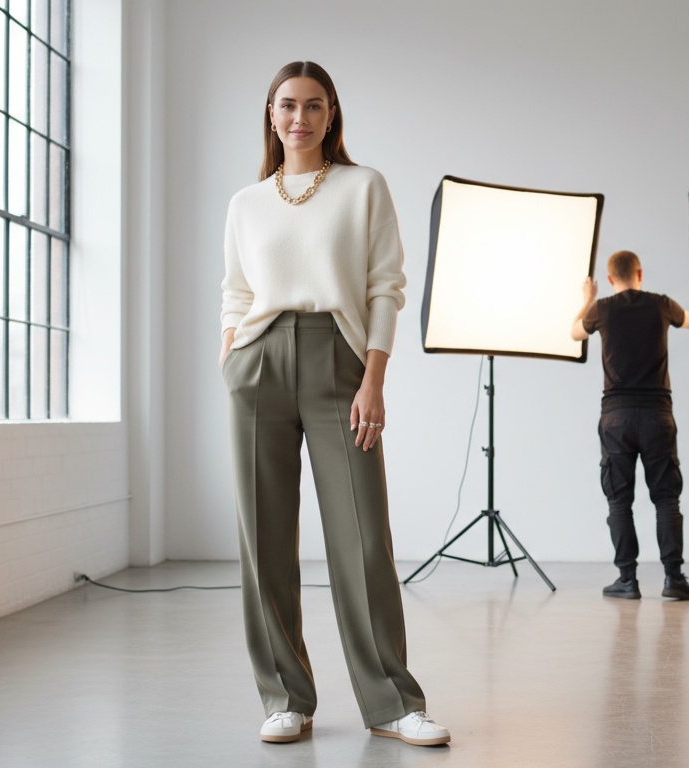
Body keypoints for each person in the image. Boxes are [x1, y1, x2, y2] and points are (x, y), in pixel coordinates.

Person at [219, 61, 450, 747]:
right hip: (256, 363)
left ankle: (392, 702)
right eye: (287, 105)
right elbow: (235, 288)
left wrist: (373, 379)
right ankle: (283, 697)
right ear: (270, 114)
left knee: (362, 539)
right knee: (262, 539)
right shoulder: (247, 203)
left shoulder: (361, 187)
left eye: (314, 106)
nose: (300, 118)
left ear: (331, 115)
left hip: (339, 359)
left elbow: (386, 285)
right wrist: (229, 353)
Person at [571, 250, 689, 601]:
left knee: (619, 502)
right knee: (666, 499)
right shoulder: (661, 305)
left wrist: (587, 299)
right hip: (657, 415)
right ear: (640, 273)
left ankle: (627, 580)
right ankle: (674, 580)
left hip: (616, 417)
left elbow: (573, 334)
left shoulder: (602, 308)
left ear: (611, 279)